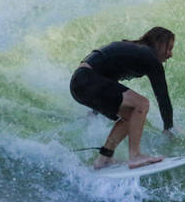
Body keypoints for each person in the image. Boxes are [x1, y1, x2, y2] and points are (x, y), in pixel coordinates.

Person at [69, 26, 176, 169]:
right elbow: (162, 96)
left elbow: (105, 76)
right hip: (86, 80)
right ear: (159, 44)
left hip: (80, 83)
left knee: (131, 114)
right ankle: (135, 156)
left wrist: (96, 110)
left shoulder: (135, 50)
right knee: (142, 104)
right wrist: (168, 128)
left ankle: (104, 158)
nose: (170, 54)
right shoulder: (149, 56)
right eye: (168, 48)